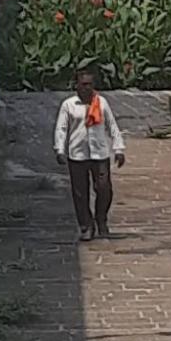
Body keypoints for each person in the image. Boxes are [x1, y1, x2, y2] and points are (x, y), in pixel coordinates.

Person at [53, 68, 124, 242]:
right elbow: (61, 128)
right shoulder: (69, 105)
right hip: (77, 154)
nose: (87, 88)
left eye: (90, 84)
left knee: (104, 188)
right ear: (76, 85)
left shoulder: (101, 103)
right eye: (83, 84)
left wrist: (119, 149)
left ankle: (101, 219)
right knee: (80, 193)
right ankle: (86, 225)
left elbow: (112, 126)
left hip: (99, 153)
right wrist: (59, 149)